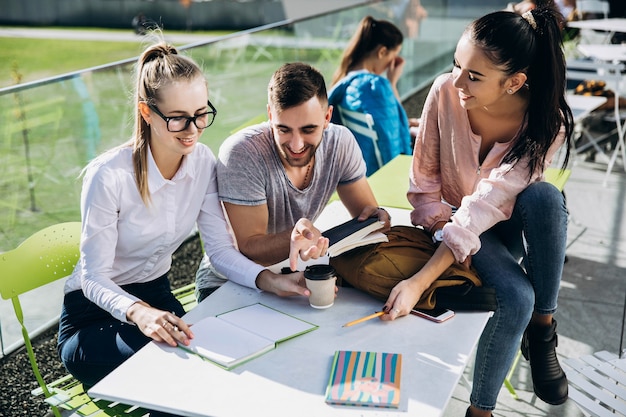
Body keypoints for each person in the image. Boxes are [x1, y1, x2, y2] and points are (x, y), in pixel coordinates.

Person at [56, 41, 308, 411]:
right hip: (91, 320)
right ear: (147, 112)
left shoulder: (202, 163)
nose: (192, 129)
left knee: (223, 360)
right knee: (179, 373)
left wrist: (269, 280)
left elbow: (219, 251)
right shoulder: (108, 176)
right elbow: (93, 278)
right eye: (178, 118)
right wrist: (139, 312)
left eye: (201, 114)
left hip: (156, 296)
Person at [378, 8, 574, 417]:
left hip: (504, 226)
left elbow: (491, 200)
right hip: (449, 222)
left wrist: (419, 282)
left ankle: (543, 328)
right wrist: (441, 230)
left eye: (474, 75)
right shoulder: (444, 93)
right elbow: (425, 189)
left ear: (515, 82)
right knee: (516, 296)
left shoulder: (544, 122)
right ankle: (480, 412)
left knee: (545, 198)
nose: (457, 80)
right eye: (456, 65)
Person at [195, 62, 391, 302]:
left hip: (295, 273)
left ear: (327, 116)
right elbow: (250, 249)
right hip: (229, 282)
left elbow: (365, 215)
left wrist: (375, 217)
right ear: (270, 116)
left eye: (309, 129)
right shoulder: (242, 153)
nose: (297, 145)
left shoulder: (340, 143)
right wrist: (294, 238)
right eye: (283, 129)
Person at [328, 16, 416, 177]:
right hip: (381, 176)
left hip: (356, 171)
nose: (393, 63)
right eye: (394, 55)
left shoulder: (345, 83)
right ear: (382, 52)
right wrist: (392, 83)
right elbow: (391, 142)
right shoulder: (375, 87)